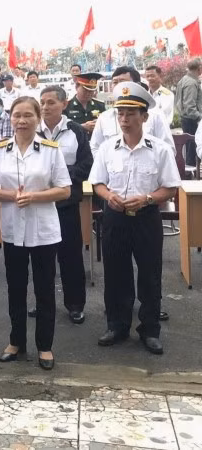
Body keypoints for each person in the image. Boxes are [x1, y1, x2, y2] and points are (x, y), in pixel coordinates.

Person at [89, 82, 181, 355]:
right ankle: (117, 325)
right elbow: (97, 183)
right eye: (120, 114)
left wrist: (148, 198)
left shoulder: (159, 149)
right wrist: (108, 197)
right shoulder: (107, 148)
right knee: (116, 274)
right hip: (115, 218)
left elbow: (171, 186)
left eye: (131, 113)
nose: (125, 119)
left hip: (146, 217)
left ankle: (150, 330)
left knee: (150, 275)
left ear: (144, 116)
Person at [0, 97, 71, 371]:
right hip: (12, 230)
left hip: (43, 230)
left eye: (27, 116)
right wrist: (13, 195)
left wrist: (34, 196)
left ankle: (44, 345)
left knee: (45, 290)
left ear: (37, 119)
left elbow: (65, 189)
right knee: (15, 289)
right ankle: (16, 341)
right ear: (10, 119)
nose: (21, 121)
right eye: (16, 116)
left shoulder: (50, 150)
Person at [33, 86, 93, 324]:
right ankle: (42, 303)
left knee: (70, 257)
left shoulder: (75, 131)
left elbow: (87, 164)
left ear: (64, 104)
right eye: (42, 103)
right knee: (40, 258)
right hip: (38, 204)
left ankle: (75, 304)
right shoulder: (32, 131)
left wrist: (60, 177)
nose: (45, 107)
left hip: (66, 204)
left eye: (51, 103)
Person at [89, 67, 173, 156]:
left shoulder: (155, 115)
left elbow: (168, 149)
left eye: (122, 81)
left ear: (137, 85)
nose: (118, 86)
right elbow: (95, 147)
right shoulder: (104, 117)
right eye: (114, 82)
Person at [176, 59, 202, 165]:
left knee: (189, 150)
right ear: (199, 69)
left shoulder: (185, 79)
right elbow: (190, 107)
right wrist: (200, 118)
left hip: (187, 119)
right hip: (191, 120)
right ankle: (191, 176)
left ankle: (189, 173)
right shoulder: (191, 83)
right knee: (192, 151)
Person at [64, 72, 106, 137]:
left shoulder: (100, 105)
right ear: (76, 87)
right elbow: (63, 129)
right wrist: (81, 127)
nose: (88, 93)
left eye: (91, 91)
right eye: (85, 90)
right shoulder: (66, 106)